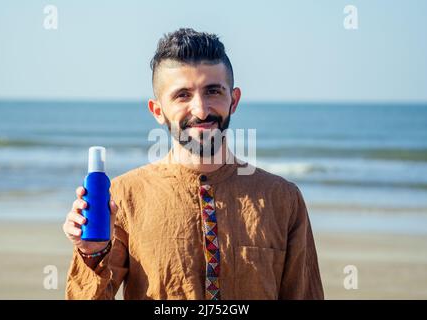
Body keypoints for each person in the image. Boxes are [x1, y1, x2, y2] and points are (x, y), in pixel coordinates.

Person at [63, 28, 324, 300]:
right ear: (157, 111)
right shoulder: (122, 197)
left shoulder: (283, 199)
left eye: (213, 91)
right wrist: (92, 253)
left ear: (233, 100)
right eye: (182, 95)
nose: (200, 110)